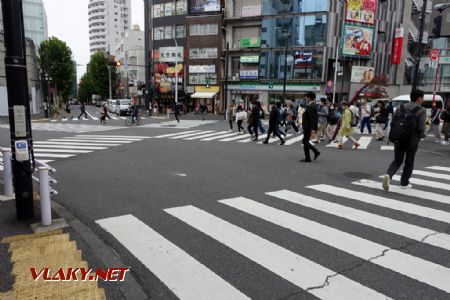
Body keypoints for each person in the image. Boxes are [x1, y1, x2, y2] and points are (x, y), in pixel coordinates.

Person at [383, 89, 427, 191]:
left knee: (397, 160)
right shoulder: (421, 110)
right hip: (412, 139)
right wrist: (420, 136)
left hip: (399, 137)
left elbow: (393, 122)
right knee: (409, 161)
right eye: (422, 98)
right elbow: (421, 127)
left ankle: (388, 175)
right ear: (419, 98)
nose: (423, 100)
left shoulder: (400, 107)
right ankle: (404, 182)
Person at [300, 92, 320, 162]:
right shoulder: (312, 105)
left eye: (306, 97)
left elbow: (312, 118)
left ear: (309, 98)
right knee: (305, 141)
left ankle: (308, 157)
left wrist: (312, 129)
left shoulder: (311, 106)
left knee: (305, 142)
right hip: (309, 127)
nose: (306, 98)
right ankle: (315, 152)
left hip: (308, 127)